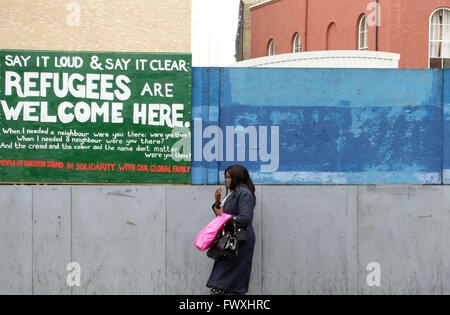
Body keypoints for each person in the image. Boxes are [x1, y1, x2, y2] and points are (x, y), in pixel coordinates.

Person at [206, 165, 256, 295]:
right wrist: (217, 203)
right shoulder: (233, 193)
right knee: (222, 285)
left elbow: (245, 219)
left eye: (229, 177)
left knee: (228, 286)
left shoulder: (244, 193)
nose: (226, 180)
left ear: (237, 177)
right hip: (229, 244)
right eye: (226, 177)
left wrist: (223, 215)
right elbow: (224, 214)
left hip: (238, 244)